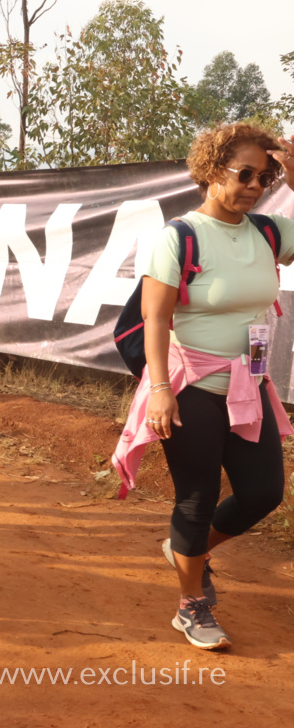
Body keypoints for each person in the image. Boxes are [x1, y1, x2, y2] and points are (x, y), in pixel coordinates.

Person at [114, 123, 294, 651]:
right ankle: (191, 605)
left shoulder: (268, 233)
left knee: (264, 492)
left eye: (267, 176)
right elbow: (154, 319)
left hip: (250, 382)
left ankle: (186, 551)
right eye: (245, 174)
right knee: (197, 498)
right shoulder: (180, 236)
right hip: (190, 383)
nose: (256, 186)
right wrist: (161, 390)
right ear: (212, 171)